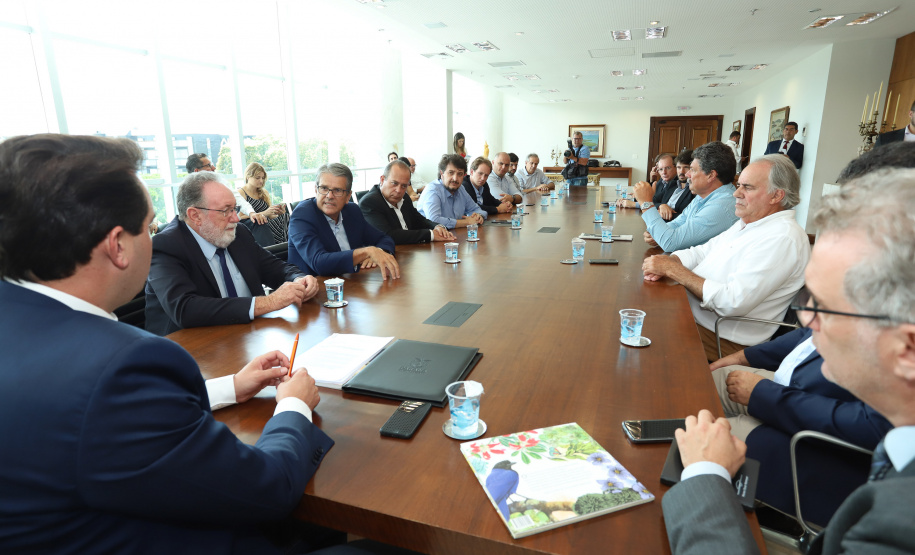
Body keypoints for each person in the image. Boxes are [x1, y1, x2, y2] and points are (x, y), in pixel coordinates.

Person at [0, 134, 335, 553]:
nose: (155, 235)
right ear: (118, 245)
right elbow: (267, 490)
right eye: (148, 226)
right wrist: (294, 404)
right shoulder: (124, 364)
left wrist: (228, 386)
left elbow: (102, 419)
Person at [663, 168, 915, 555]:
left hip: (804, 447)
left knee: (679, 445)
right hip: (787, 395)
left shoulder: (894, 522)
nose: (807, 324)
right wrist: (746, 358)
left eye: (827, 309)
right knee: (675, 396)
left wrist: (706, 475)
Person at [643, 155, 810, 360]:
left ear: (776, 196)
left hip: (722, 336)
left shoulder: (783, 238)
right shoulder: (750, 222)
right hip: (694, 316)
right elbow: (702, 251)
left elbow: (731, 302)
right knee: (638, 308)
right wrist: (670, 262)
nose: (736, 193)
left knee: (642, 330)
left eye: (747, 188)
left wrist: (672, 270)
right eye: (738, 185)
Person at [145, 171, 319, 336]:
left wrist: (298, 278)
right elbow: (185, 309)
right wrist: (269, 302)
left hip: (247, 336)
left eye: (234, 209)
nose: (236, 218)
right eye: (226, 210)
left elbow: (273, 267)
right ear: (195, 215)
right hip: (189, 350)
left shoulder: (238, 233)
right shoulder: (165, 246)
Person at [288, 163, 399, 279]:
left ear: (348, 196)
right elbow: (319, 263)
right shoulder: (302, 215)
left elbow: (384, 239)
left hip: (352, 284)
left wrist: (378, 253)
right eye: (324, 188)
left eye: (337, 190)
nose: (329, 196)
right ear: (316, 190)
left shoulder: (352, 211)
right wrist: (367, 252)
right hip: (313, 290)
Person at [634, 142, 738, 252]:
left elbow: (670, 242)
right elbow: (679, 223)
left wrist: (646, 204)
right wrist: (657, 232)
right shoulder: (703, 196)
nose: (687, 174)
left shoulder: (721, 207)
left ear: (711, 175)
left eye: (692, 169)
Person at [359, 160, 454, 245]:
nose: (399, 190)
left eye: (404, 186)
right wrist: (431, 234)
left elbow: (418, 219)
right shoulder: (369, 202)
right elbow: (388, 235)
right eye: (394, 183)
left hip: (410, 253)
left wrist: (437, 227)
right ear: (382, 179)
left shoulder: (404, 197)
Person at [186, 152, 263, 224]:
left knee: (258, 223)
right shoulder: (188, 192)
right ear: (197, 171)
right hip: (209, 225)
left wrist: (251, 213)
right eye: (208, 165)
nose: (214, 168)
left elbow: (237, 198)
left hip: (228, 222)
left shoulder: (220, 181)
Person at [416, 154, 486, 229]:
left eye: (460, 174)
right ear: (442, 174)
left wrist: (479, 216)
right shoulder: (432, 190)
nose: (455, 178)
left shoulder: (461, 189)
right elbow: (434, 220)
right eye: (451, 173)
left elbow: (476, 209)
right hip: (430, 238)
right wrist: (467, 222)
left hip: (453, 236)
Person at [237, 162, 289, 246]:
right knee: (284, 221)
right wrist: (264, 213)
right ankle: (287, 248)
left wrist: (279, 214)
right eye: (257, 178)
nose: (261, 181)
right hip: (255, 228)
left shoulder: (264, 192)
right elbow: (240, 217)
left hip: (266, 224)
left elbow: (270, 216)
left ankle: (288, 248)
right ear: (248, 176)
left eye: (262, 178)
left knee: (286, 217)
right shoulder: (241, 193)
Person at [655, 149, 696, 221]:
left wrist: (668, 214)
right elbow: (654, 200)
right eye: (679, 167)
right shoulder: (673, 184)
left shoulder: (695, 190)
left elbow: (691, 218)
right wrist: (661, 206)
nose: (681, 172)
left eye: (686, 167)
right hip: (659, 223)